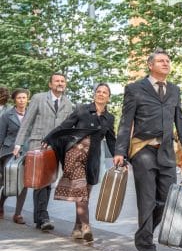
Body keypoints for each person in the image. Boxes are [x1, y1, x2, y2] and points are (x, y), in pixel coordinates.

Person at [114, 49, 182, 251]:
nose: (166, 63)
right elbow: (125, 122)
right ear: (150, 65)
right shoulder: (135, 89)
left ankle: (142, 236)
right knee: (146, 201)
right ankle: (148, 249)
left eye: (168, 60)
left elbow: (181, 124)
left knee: (167, 200)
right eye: (161, 60)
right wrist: (120, 151)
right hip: (143, 150)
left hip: (167, 151)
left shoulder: (174, 90)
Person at [43, 83, 116, 241]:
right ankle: (86, 227)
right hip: (75, 154)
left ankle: (76, 228)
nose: (101, 94)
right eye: (98, 91)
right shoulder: (82, 110)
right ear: (94, 94)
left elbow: (111, 140)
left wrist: (121, 156)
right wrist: (49, 137)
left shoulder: (109, 118)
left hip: (93, 158)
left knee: (84, 193)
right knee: (80, 190)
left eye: (105, 92)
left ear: (108, 97)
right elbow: (65, 125)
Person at [13, 73, 73, 232]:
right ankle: (43, 216)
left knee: (48, 182)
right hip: (38, 145)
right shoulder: (39, 98)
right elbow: (27, 122)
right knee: (40, 181)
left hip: (56, 148)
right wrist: (18, 143)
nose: (60, 83)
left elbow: (68, 129)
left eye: (62, 81)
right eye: (57, 81)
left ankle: (40, 218)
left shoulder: (68, 103)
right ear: (50, 84)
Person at [0, 89, 30, 222]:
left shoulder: (32, 114)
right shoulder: (7, 115)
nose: (22, 100)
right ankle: (0, 206)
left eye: (24, 97)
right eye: (19, 98)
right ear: (14, 100)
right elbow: (1, 135)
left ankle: (17, 214)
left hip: (26, 152)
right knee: (9, 182)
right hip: (8, 152)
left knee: (24, 183)